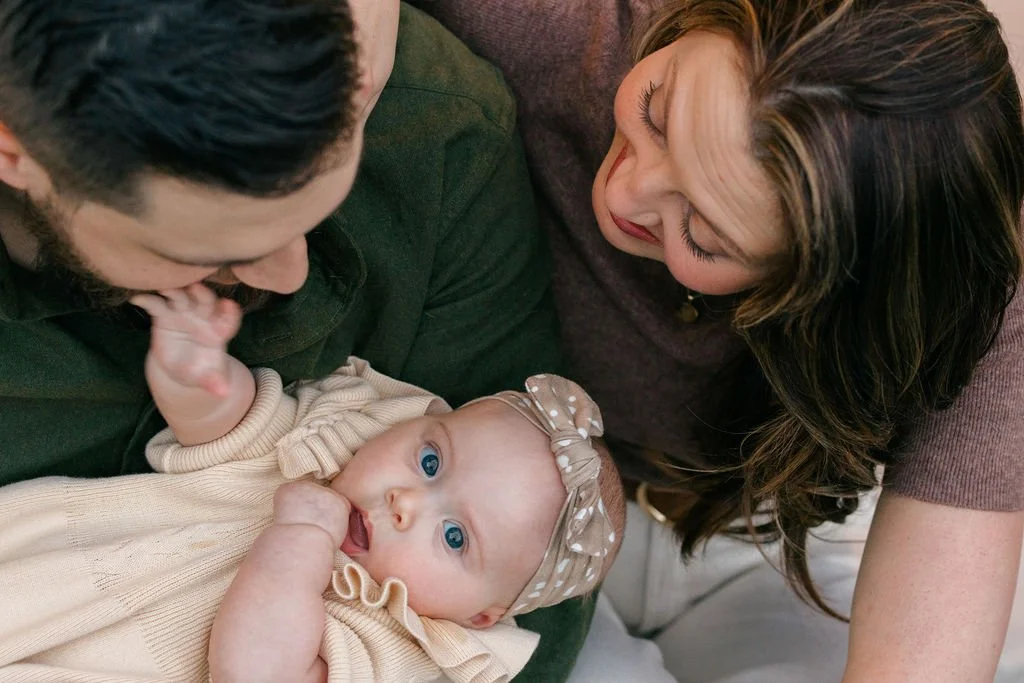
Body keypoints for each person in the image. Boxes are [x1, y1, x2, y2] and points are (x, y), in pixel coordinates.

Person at [414, 0, 1024, 681]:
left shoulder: (962, 306)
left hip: (769, 544)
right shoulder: (558, 24)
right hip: (505, 518)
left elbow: (917, 664)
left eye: (703, 233)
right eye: (655, 110)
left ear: (819, 290)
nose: (627, 190)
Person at [0, 1, 592, 679]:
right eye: (210, 251)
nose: (293, 273)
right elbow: (244, 431)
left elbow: (538, 564)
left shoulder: (432, 138)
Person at [0, 285, 626, 683]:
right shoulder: (336, 445)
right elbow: (234, 429)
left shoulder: (410, 649)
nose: (407, 504)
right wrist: (196, 374)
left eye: (456, 537)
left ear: (482, 614)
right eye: (431, 463)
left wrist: (298, 541)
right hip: (60, 573)